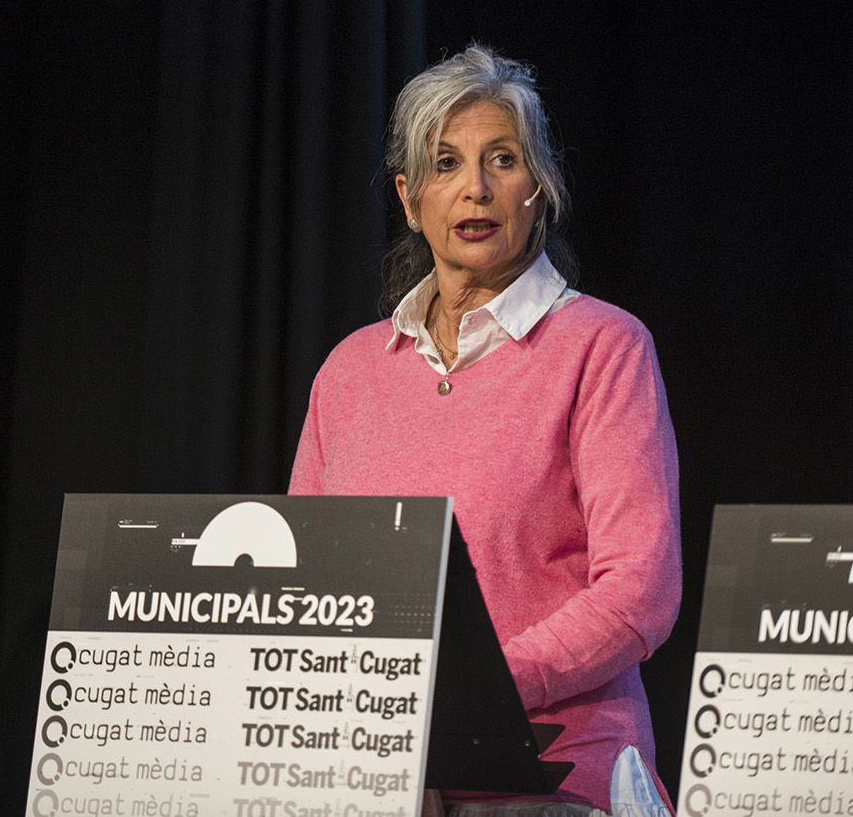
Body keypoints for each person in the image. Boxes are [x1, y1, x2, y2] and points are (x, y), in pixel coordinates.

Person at [288, 45, 679, 812]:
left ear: (539, 188)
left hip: (556, 777)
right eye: (445, 163)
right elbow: (307, 589)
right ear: (409, 198)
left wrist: (477, 693)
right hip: (376, 776)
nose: (475, 187)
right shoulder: (350, 373)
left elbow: (638, 593)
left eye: (503, 158)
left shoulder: (602, 348)